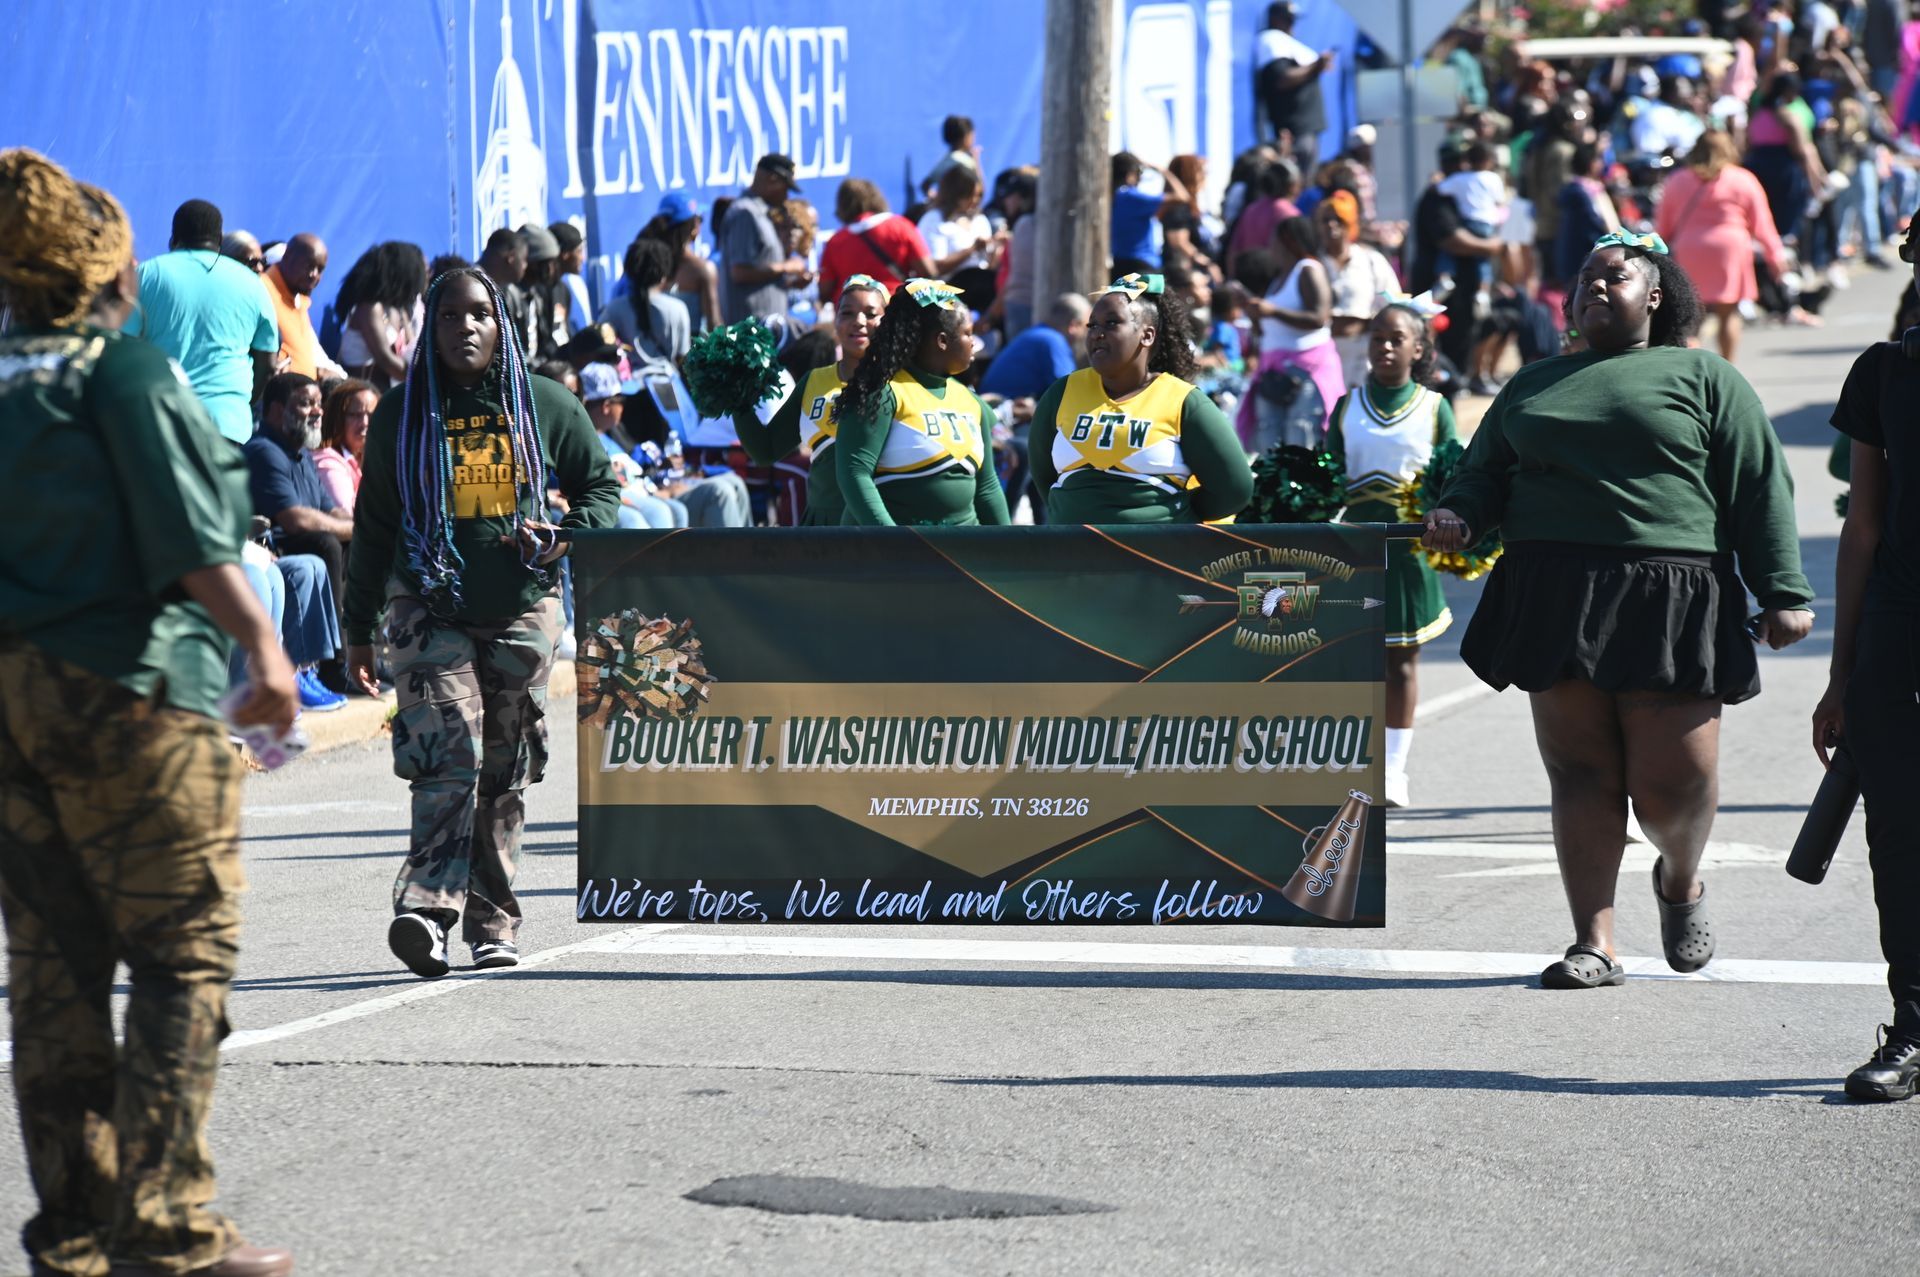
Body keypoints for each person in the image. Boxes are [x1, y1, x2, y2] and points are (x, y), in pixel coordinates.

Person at [0, 146, 299, 1277]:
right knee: (181, 952)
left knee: (54, 974)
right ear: (108, 274)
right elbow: (190, 535)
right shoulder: (121, 373)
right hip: (127, 696)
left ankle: (75, 1232)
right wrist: (263, 648)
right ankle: (166, 1223)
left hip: (11, 709)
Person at [1424, 232, 1814, 990]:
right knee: (1579, 771)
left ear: (1657, 295)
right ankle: (1594, 942)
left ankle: (1680, 877)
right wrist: (1459, 514)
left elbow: (1758, 484)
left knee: (1675, 785)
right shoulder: (1533, 382)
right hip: (1553, 589)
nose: (1596, 286)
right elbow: (1483, 473)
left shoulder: (1704, 375)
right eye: (1585, 277)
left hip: (1672, 592)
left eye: (1617, 275)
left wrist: (1784, 590)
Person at [344, 267, 621, 978]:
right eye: (448, 315)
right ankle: (428, 914)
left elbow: (599, 487)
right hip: (425, 606)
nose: (464, 327)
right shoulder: (401, 414)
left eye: (479, 315)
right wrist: (357, 629)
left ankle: (493, 921)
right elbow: (373, 528)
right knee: (447, 758)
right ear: (428, 328)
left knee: (504, 768)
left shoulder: (546, 404)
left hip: (521, 608)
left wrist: (565, 534)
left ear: (501, 325)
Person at [1813, 213, 1920, 1102]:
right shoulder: (1884, 372)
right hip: (1897, 634)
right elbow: (1863, 528)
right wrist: (1840, 673)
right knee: (1899, 838)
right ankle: (1913, 1026)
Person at [1326, 301, 1457, 808]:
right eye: (1377, 337)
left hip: (1407, 551)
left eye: (1396, 338)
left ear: (1417, 349)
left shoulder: (1434, 407)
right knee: (1351, 663)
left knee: (1400, 662)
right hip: (1351, 550)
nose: (1383, 346)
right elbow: (1325, 479)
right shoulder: (1348, 405)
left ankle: (1394, 769)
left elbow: (1454, 477)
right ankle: (1352, 760)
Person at [1028, 274, 1251, 524]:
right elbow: (1043, 477)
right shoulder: (1062, 392)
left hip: (1154, 548)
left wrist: (1173, 514)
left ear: (1147, 335)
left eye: (1111, 323)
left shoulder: (1183, 401)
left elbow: (1235, 489)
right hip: (1070, 547)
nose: (1097, 334)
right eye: (1092, 325)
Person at [833, 278, 1012, 527]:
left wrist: (1010, 543)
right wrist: (891, 539)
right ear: (942, 341)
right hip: (895, 548)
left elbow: (987, 486)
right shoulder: (883, 392)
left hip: (961, 547)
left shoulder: (972, 401)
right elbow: (855, 473)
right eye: (968, 333)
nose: (973, 342)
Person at [731, 275, 889, 525]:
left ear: (887, 323)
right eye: (847, 313)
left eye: (871, 314)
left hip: (882, 525)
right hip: (822, 525)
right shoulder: (815, 381)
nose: (858, 321)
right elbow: (766, 451)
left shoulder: (901, 383)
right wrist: (736, 397)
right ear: (835, 321)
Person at [124, 198, 279, 445]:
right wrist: (242, 403)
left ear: (173, 239)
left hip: (160, 421)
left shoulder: (146, 274)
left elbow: (121, 345)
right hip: (228, 425)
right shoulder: (254, 284)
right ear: (219, 240)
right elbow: (268, 363)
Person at [1656, 131, 1787, 362]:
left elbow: (1663, 228)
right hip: (1730, 250)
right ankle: (1727, 366)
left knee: (1691, 318)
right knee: (1728, 314)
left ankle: (1689, 364)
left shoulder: (1677, 180)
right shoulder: (1742, 179)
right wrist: (1775, 255)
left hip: (1689, 250)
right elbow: (1762, 224)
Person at [1242, 215, 1343, 447]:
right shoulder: (1278, 278)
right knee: (1270, 442)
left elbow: (1319, 317)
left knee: (1301, 437)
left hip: (1307, 369)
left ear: (1288, 241)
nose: (1270, 246)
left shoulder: (1308, 269)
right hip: (1274, 371)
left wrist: (1272, 311)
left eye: (1274, 240)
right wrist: (1256, 315)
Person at [580, 363, 686, 530]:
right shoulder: (583, 439)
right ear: (606, 406)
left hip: (641, 491)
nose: (624, 406)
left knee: (678, 511)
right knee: (658, 512)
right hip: (613, 497)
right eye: (621, 400)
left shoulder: (611, 436)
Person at [1316, 190, 1399, 387]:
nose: (1332, 225)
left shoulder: (1370, 261)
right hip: (1323, 355)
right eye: (1326, 220)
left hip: (1363, 356)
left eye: (1339, 220)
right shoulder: (1313, 264)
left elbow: (1393, 305)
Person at [818, 178, 936, 307]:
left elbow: (825, 290)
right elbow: (927, 271)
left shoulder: (836, 241)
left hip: (852, 313)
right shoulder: (901, 227)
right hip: (895, 308)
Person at [721, 153, 810, 324]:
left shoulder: (759, 212)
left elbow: (759, 275)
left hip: (766, 327)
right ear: (772, 179)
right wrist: (786, 267)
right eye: (785, 188)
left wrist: (788, 283)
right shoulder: (745, 213)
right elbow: (740, 273)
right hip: (751, 331)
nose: (786, 196)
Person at [1255, 1, 1334, 175]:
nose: (1292, 25)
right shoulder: (1272, 40)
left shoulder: (1285, 42)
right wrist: (1315, 67)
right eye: (1288, 19)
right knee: (1296, 181)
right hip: (1293, 132)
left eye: (1293, 20)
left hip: (1305, 131)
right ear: (1274, 19)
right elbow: (1282, 79)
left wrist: (1317, 66)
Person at [334, 240, 427, 389]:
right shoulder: (369, 308)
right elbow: (385, 359)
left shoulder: (397, 309)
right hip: (359, 392)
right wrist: (422, 379)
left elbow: (412, 346)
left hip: (384, 389)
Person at [601, 237, 690, 373]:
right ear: (664, 272)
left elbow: (601, 345)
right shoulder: (678, 308)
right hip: (669, 382)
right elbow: (682, 356)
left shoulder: (615, 308)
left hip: (630, 383)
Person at [638, 193, 723, 331]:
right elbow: (714, 325)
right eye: (700, 219)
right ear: (694, 226)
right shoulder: (703, 269)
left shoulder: (645, 264)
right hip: (689, 345)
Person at [264, 232, 343, 380]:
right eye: (309, 266)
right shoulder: (262, 290)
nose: (314, 275)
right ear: (287, 257)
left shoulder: (299, 299)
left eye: (320, 269)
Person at [982, 292, 1088, 401]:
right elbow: (1071, 390)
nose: (1088, 334)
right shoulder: (1052, 340)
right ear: (1073, 325)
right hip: (1002, 405)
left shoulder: (1039, 334)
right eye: (1087, 327)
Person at [918, 166, 999, 307]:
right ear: (956, 194)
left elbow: (989, 264)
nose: (974, 200)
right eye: (970, 195)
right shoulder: (934, 220)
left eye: (978, 195)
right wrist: (972, 249)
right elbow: (934, 268)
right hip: (947, 297)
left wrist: (997, 249)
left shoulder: (980, 220)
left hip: (982, 293)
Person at [315, 377, 377, 514]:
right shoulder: (327, 463)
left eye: (371, 415)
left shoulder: (373, 460)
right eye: (355, 415)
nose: (365, 423)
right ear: (337, 418)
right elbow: (345, 515)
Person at [516, 222, 566, 359]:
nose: (552, 270)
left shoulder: (536, 296)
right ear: (533, 263)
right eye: (548, 263)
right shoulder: (511, 295)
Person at [921, 114, 981, 198]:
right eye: (972, 135)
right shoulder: (965, 160)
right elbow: (979, 191)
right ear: (966, 137)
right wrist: (976, 160)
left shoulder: (945, 160)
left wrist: (937, 199)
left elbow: (925, 185)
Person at [549, 221, 593, 335]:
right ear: (565, 254)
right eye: (579, 251)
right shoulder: (541, 291)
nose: (583, 258)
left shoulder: (564, 290)